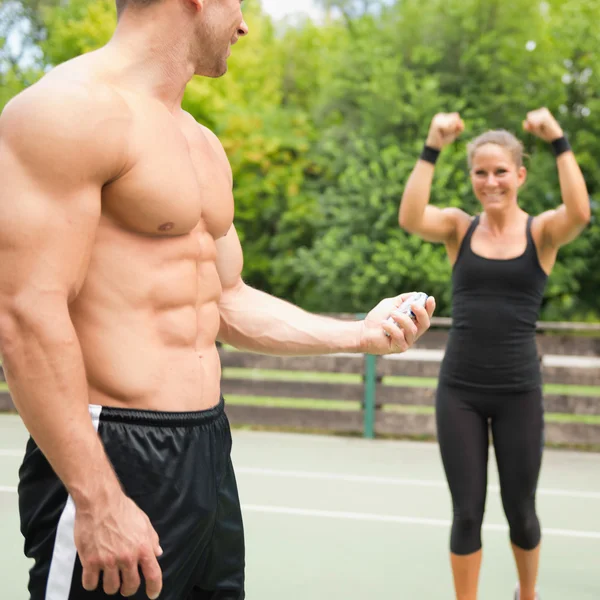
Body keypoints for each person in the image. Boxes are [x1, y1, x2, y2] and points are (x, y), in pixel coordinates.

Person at [0, 1, 436, 599]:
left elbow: (224, 298)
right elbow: (25, 315)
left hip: (207, 447)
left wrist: (357, 334)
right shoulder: (67, 110)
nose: (245, 23)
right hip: (111, 452)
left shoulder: (199, 142)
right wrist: (97, 499)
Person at [398, 109, 590, 600]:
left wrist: (558, 139)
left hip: (519, 392)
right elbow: (410, 217)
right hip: (460, 389)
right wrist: (432, 145)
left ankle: (527, 594)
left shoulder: (543, 233)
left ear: (520, 175)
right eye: (481, 172)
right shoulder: (459, 229)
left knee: (521, 509)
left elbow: (581, 214)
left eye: (501, 170)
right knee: (466, 512)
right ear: (472, 179)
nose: (491, 181)